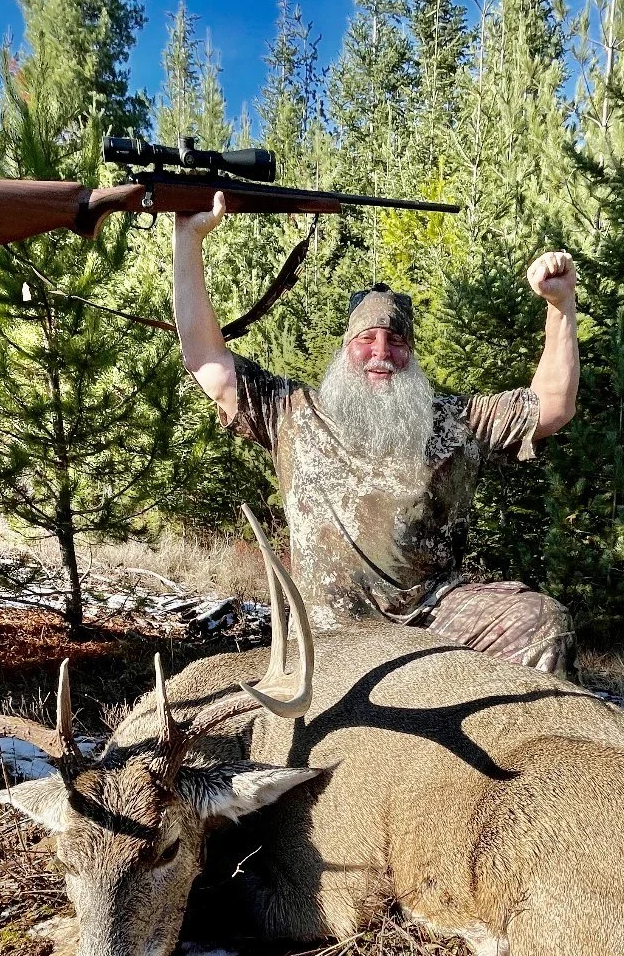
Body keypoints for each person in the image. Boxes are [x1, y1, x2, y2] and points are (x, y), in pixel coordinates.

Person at [172, 191, 580, 674]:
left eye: (395, 340)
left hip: (433, 618)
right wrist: (188, 238)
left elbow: (553, 406)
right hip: (332, 633)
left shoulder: (454, 420)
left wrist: (561, 305)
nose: (381, 351)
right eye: (366, 339)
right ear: (346, 351)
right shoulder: (293, 411)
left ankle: (522, 747)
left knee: (541, 622)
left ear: (411, 356)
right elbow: (206, 360)